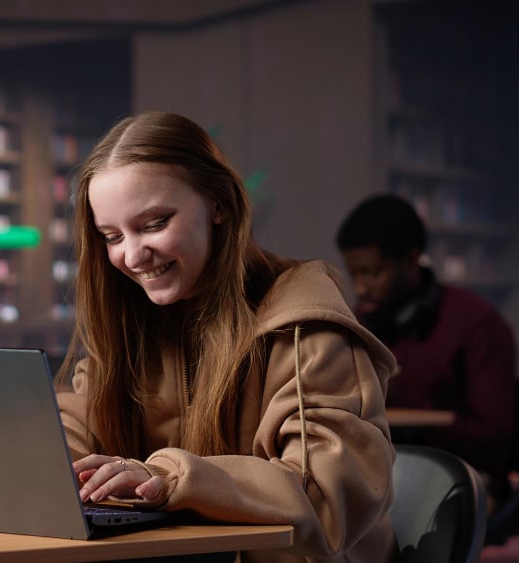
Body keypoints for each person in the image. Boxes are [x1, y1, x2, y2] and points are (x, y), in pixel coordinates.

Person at [55, 111, 398, 562]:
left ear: (218, 204)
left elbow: (324, 501)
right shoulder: (132, 323)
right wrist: (51, 464)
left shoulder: (305, 320)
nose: (133, 255)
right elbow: (79, 427)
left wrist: (167, 478)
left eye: (155, 223)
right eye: (112, 235)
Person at [335, 193, 517, 511]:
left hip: (464, 482)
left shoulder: (477, 323)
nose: (361, 288)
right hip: (385, 477)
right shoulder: (362, 321)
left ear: (411, 261)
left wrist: (412, 414)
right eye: (354, 275)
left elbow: (496, 439)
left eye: (373, 273)